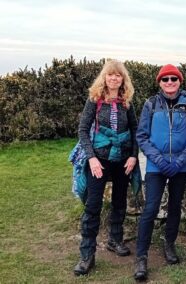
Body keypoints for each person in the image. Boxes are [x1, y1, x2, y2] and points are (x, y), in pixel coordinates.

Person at [134, 64, 186, 281]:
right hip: (157, 165)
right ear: (159, 82)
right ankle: (141, 257)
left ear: (180, 81)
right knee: (151, 208)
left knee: (175, 205)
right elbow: (142, 136)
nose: (170, 82)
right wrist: (160, 160)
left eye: (174, 78)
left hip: (180, 165)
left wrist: (182, 159)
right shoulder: (151, 104)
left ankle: (169, 245)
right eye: (165, 79)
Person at [73, 60, 138, 276]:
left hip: (122, 160)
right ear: (105, 77)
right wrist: (91, 159)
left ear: (123, 79)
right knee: (93, 206)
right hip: (99, 160)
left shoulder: (127, 102)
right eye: (110, 75)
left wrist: (134, 157)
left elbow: (136, 131)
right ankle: (87, 255)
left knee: (119, 202)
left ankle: (115, 240)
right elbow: (83, 130)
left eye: (118, 75)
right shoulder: (95, 100)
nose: (114, 78)